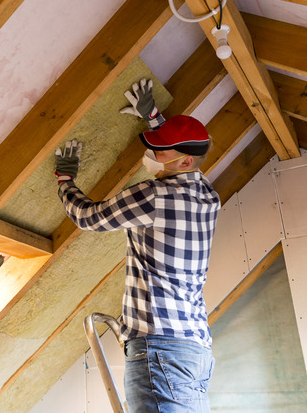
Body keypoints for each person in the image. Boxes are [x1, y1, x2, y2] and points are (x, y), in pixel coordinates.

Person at [54, 79, 221, 412]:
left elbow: (89, 218)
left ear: (185, 162)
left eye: (160, 150)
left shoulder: (153, 196)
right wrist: (154, 119)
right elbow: (180, 152)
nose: (152, 155)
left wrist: (64, 181)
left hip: (160, 350)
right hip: (193, 350)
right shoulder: (208, 196)